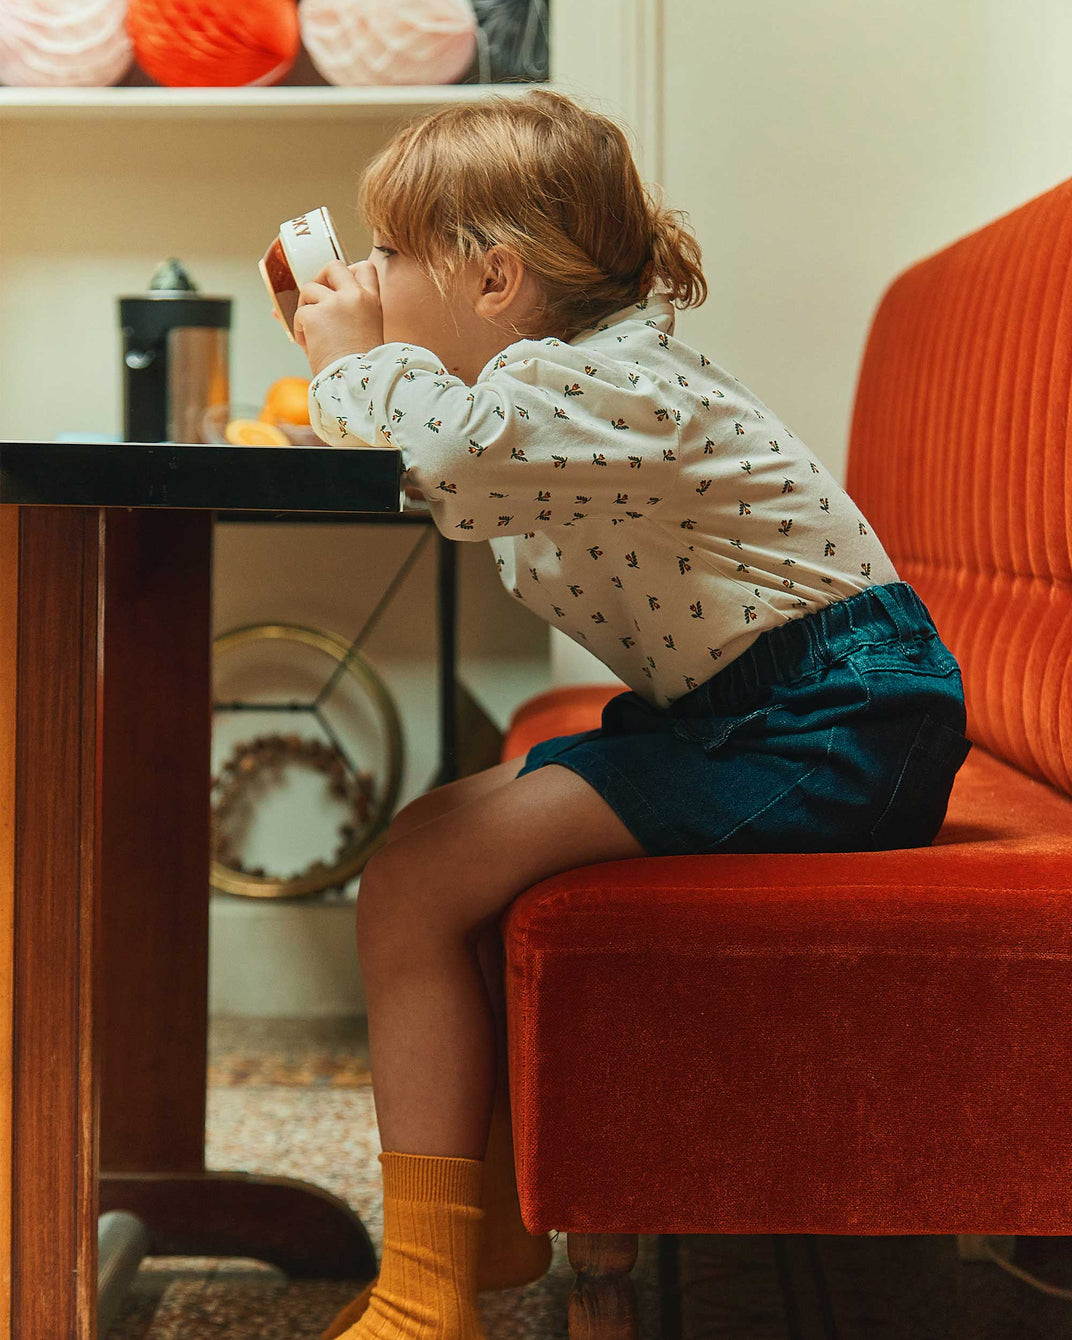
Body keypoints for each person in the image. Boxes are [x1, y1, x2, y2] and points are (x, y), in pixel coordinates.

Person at [294, 87, 972, 1340]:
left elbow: (445, 459)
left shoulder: (605, 384)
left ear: (494, 275)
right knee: (421, 857)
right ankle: (480, 1230)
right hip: (759, 710)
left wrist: (351, 362)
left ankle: (425, 1289)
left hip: (838, 718)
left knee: (419, 874)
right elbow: (454, 456)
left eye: (392, 252)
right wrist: (368, 368)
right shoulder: (553, 387)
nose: (374, 275)